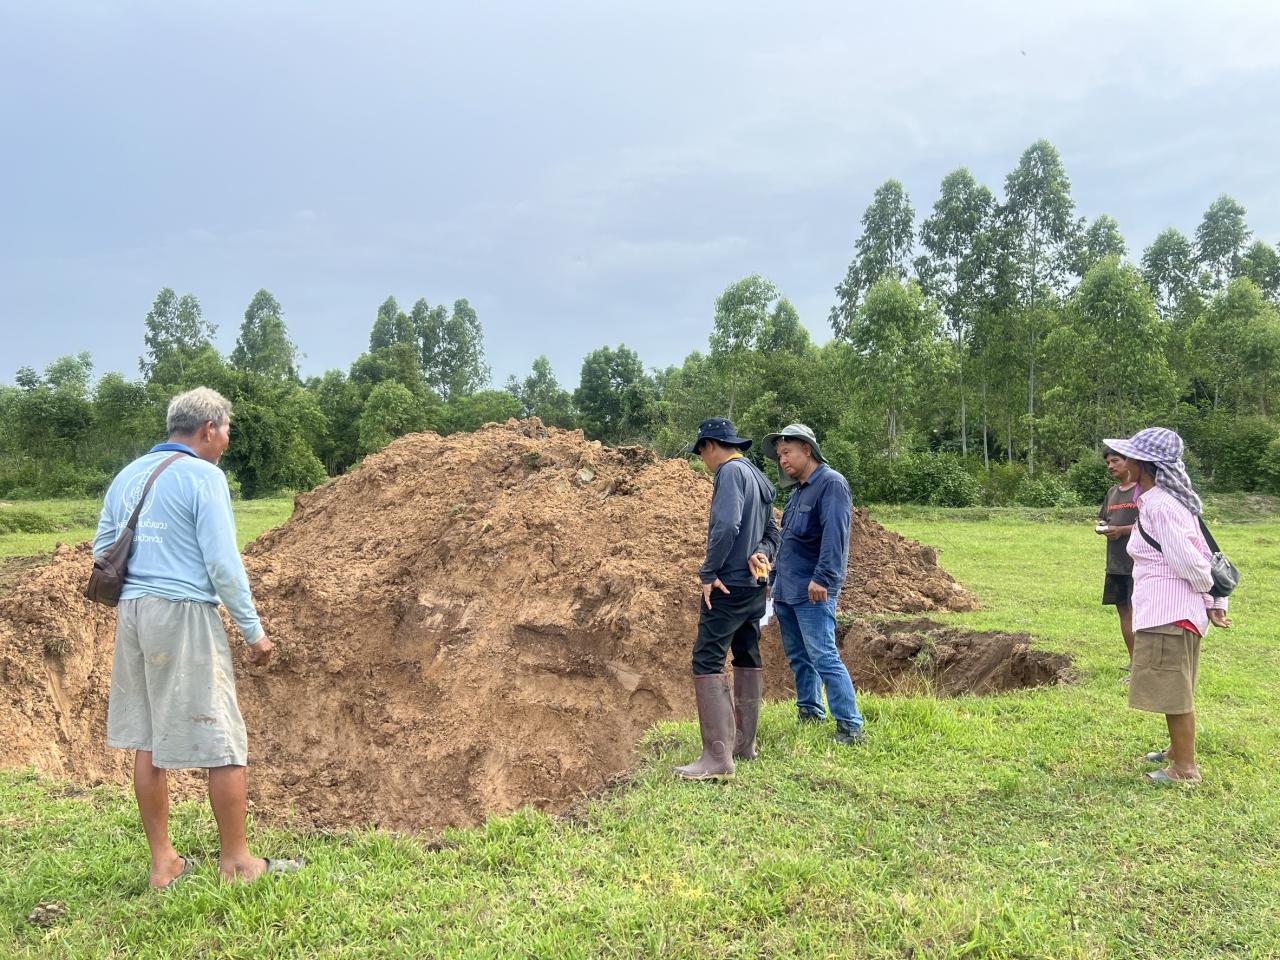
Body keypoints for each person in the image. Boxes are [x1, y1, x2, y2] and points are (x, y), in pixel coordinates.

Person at [94, 387, 302, 886]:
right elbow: (223, 565)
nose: (227, 441)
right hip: (184, 614)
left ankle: (163, 864)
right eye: (227, 430)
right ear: (209, 428)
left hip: (133, 614)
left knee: (149, 738)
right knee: (224, 739)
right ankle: (238, 862)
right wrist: (254, 632)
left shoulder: (128, 475)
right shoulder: (205, 477)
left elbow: (103, 548)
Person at [1103, 427, 1231, 785]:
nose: (1122, 462)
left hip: (1169, 614)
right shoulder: (1168, 502)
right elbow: (1206, 551)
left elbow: (1192, 563)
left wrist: (1209, 595)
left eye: (1128, 456)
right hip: (1176, 612)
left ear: (1143, 463)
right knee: (1174, 686)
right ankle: (1177, 751)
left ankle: (1185, 770)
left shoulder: (1159, 505)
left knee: (1174, 692)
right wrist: (1213, 601)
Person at [675, 417, 780, 781]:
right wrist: (762, 552)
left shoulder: (730, 474)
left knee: (707, 658)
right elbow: (771, 533)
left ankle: (717, 759)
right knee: (748, 654)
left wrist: (708, 573)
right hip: (754, 588)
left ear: (710, 445)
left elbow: (726, 525)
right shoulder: (757, 475)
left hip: (728, 586)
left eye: (702, 452)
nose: (704, 460)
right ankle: (744, 745)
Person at [763, 424, 865, 746]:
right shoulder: (798, 493)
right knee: (798, 657)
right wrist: (774, 581)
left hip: (813, 591)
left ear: (807, 449)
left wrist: (823, 578)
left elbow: (836, 537)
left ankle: (850, 727)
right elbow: (788, 543)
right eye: (779, 455)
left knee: (824, 656)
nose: (782, 460)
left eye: (787, 452)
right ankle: (810, 712)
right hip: (788, 591)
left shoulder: (831, 485)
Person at [1097, 447, 1139, 678]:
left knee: (1139, 614)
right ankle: (1134, 662)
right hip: (1115, 563)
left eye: (1115, 461)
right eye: (1108, 463)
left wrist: (1122, 530)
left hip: (1138, 564)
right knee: (1123, 611)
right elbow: (1104, 516)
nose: (1111, 466)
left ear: (1129, 461)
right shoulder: (1112, 492)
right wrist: (1102, 526)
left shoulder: (1142, 491)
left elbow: (1151, 525)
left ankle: (1143, 666)